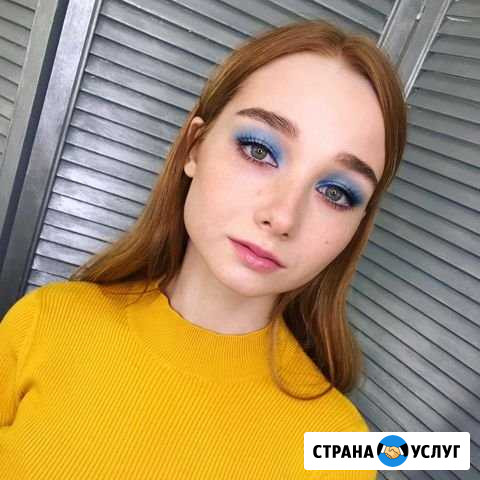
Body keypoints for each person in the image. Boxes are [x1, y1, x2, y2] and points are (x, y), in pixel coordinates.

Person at [0, 19, 406, 479]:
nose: (282, 217)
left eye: (335, 193)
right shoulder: (45, 323)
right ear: (195, 147)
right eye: (259, 151)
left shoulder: (340, 447)